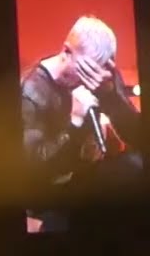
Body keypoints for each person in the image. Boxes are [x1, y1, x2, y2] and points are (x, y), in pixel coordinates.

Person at [21, 15, 142, 233]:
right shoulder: (30, 91)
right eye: (85, 71)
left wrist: (110, 94)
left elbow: (139, 136)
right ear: (66, 51)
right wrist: (75, 121)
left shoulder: (101, 76)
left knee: (138, 167)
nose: (91, 81)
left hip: (87, 176)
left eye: (96, 73)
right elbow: (34, 172)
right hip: (51, 191)